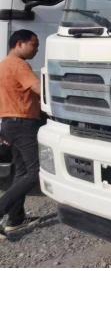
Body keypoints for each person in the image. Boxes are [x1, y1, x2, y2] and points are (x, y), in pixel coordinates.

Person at [0, 29, 42, 238]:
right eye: (34, 44)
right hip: (23, 124)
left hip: (9, 124)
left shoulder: (3, 65)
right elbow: (39, 88)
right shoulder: (19, 65)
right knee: (34, 173)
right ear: (19, 44)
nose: (37, 49)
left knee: (21, 172)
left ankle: (15, 220)